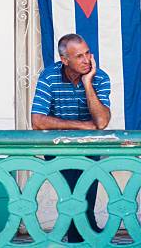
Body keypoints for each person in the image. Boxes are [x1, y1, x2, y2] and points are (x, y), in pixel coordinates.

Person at [31, 33, 111, 242]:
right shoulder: (49, 76)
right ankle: (85, 240)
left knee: (87, 198)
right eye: (79, 56)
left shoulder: (99, 77)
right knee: (72, 198)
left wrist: (87, 83)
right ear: (65, 60)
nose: (87, 60)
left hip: (89, 149)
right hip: (58, 149)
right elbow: (38, 121)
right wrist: (83, 125)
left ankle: (83, 239)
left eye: (88, 53)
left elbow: (101, 122)